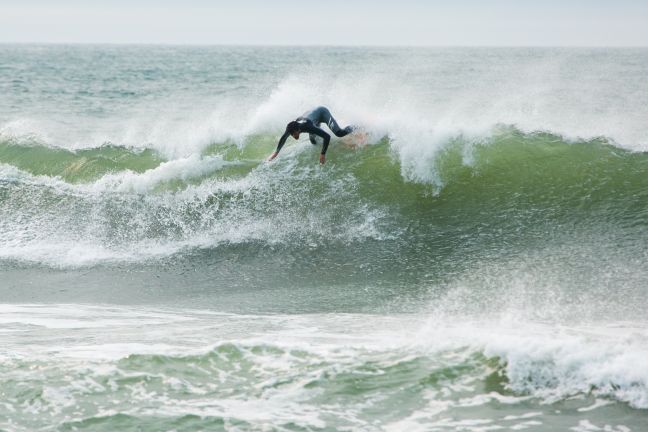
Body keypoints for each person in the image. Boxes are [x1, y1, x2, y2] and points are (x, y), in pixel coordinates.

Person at [267, 106, 355, 164]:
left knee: (339, 133)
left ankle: (356, 126)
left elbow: (327, 136)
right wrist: (276, 152)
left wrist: (322, 154)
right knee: (313, 141)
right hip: (313, 119)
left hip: (322, 113)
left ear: (298, 130)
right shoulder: (290, 128)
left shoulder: (308, 126)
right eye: (292, 135)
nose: (294, 137)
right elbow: (283, 138)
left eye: (294, 134)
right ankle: (339, 144)